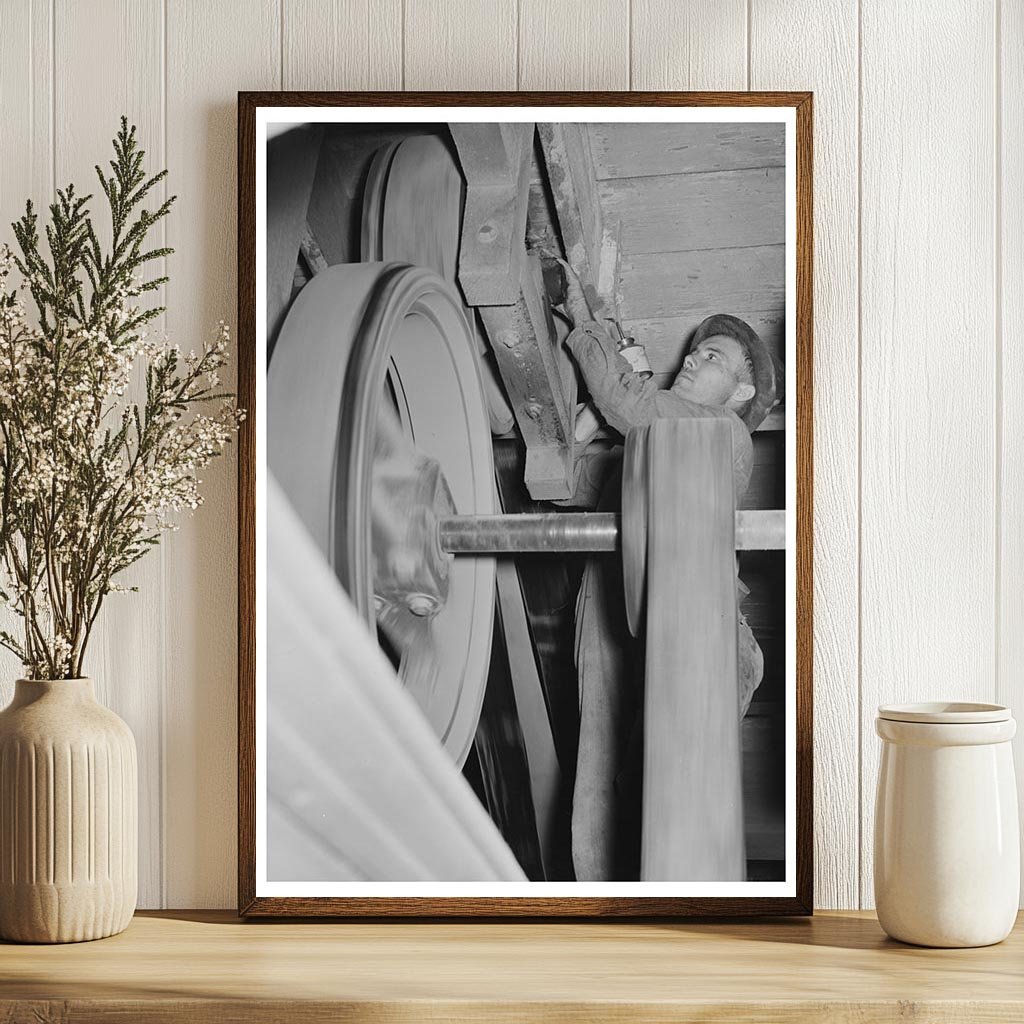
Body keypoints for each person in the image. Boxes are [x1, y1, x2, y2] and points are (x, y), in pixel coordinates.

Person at [554, 261, 783, 880]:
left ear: (739, 394)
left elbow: (630, 402)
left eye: (713, 358)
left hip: (687, 594)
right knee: (600, 758)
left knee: (668, 766)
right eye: (697, 349)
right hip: (611, 586)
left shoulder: (720, 431)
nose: (694, 359)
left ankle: (675, 888)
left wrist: (584, 320)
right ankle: (603, 902)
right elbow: (570, 489)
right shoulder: (645, 431)